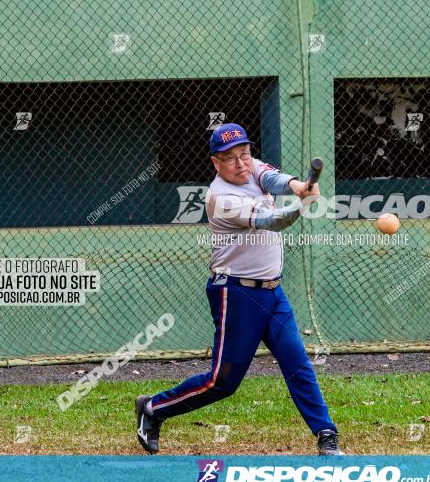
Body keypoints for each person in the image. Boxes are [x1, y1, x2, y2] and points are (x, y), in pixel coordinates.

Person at [134, 123, 342, 455]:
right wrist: (303, 204)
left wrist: (298, 186)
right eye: (230, 159)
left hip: (273, 291)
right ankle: (152, 409)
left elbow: (272, 178)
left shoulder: (249, 165)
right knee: (222, 382)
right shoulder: (221, 198)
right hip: (235, 293)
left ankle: (326, 432)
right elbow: (273, 220)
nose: (241, 163)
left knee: (297, 362)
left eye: (244, 153)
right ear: (216, 163)